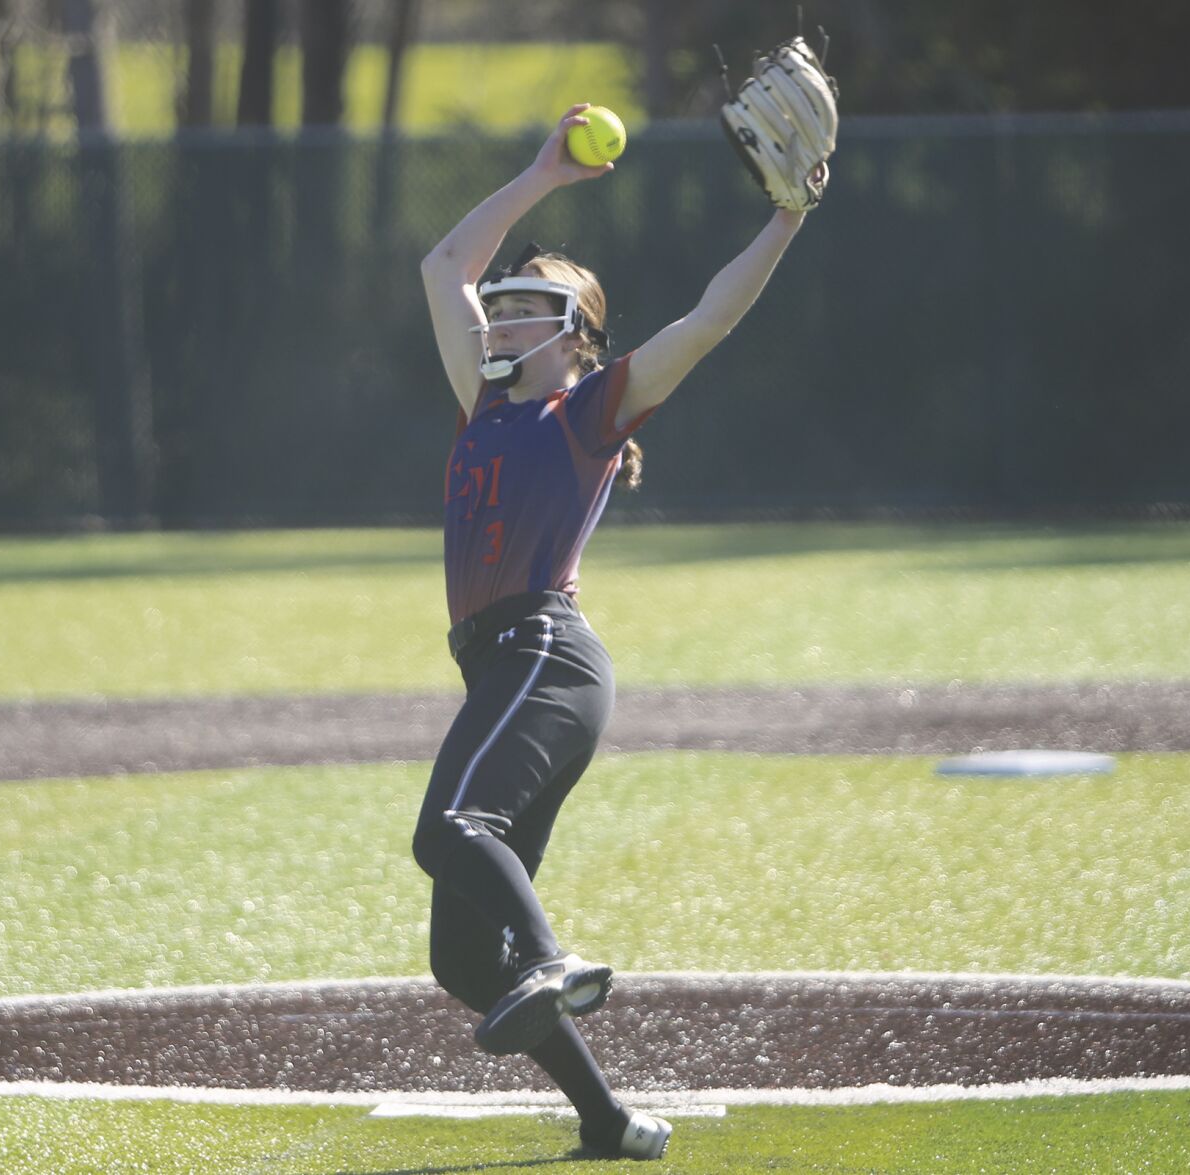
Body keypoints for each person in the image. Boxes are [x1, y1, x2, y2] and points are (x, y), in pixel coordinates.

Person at [411, 104, 817, 1161]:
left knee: (448, 830)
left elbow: (706, 319)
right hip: (502, 669)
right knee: (462, 957)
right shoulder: (481, 402)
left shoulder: (587, 409)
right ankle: (610, 1123)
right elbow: (444, 259)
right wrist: (542, 173)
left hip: (547, 657)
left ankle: (552, 957)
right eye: (495, 307)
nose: (495, 315)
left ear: (574, 334)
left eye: (523, 306)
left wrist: (784, 221)